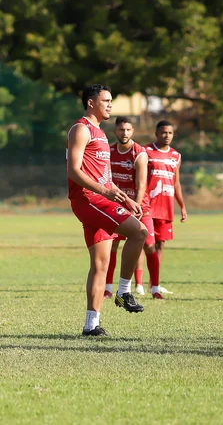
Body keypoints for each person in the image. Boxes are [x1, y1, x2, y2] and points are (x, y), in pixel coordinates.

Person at [67, 84, 147, 337]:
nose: (110, 105)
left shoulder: (100, 133)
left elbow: (104, 177)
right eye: (106, 100)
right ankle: (124, 291)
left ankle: (91, 325)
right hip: (88, 200)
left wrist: (126, 199)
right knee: (139, 232)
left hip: (99, 198)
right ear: (91, 103)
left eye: (111, 101)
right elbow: (74, 171)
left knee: (100, 265)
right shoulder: (81, 129)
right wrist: (105, 193)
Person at [104, 116, 163, 299]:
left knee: (150, 246)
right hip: (117, 206)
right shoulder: (109, 151)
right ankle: (107, 288)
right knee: (112, 245)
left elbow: (142, 185)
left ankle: (155, 289)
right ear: (115, 131)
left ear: (133, 131)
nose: (125, 133)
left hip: (140, 206)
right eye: (121, 130)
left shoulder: (139, 152)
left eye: (128, 130)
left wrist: (134, 208)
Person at [144, 120, 188, 296]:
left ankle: (154, 283)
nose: (167, 136)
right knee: (144, 244)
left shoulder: (176, 156)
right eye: (163, 132)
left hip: (166, 207)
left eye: (170, 133)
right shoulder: (146, 151)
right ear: (156, 133)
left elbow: (176, 183)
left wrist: (182, 206)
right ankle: (138, 283)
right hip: (148, 205)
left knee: (160, 245)